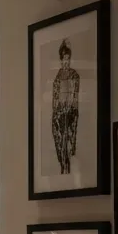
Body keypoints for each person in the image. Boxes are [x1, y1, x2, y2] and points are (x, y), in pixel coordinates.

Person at [51, 39, 80, 174]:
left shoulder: (74, 75)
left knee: (68, 138)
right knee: (57, 134)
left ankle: (67, 164)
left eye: (68, 59)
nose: (66, 62)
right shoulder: (57, 78)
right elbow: (55, 98)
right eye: (64, 59)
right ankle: (62, 164)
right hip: (60, 112)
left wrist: (71, 105)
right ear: (61, 60)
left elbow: (75, 95)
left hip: (70, 111)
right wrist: (57, 109)